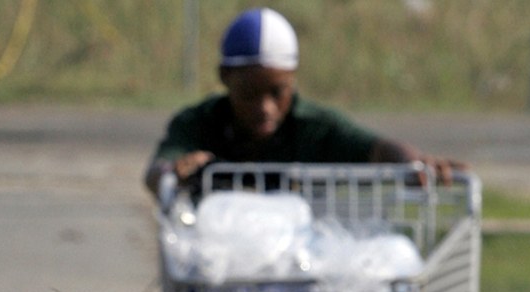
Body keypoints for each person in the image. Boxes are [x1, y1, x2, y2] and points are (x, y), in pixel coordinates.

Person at [144, 5, 462, 197]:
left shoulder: (314, 125)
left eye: (277, 93)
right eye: (250, 94)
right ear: (225, 76)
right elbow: (157, 172)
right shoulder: (199, 123)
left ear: (293, 77)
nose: (265, 108)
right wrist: (174, 170)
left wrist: (415, 163)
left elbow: (377, 149)